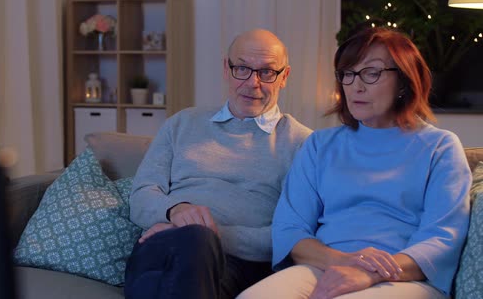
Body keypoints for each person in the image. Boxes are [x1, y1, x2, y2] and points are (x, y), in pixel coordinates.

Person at [237, 27, 472, 299]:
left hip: (402, 278)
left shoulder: (440, 147)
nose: (356, 86)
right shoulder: (319, 145)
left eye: (371, 73)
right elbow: (290, 230)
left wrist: (369, 272)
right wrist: (345, 263)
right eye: (348, 74)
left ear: (405, 81)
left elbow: (443, 238)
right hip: (326, 266)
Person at [124, 29, 312, 299]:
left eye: (267, 72)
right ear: (226, 68)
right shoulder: (182, 123)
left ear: (284, 77)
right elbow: (141, 197)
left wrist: (206, 233)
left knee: (195, 246)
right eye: (242, 69)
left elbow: (291, 235)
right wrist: (175, 211)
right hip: (161, 248)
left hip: (237, 264)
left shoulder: (302, 143)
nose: (252, 83)